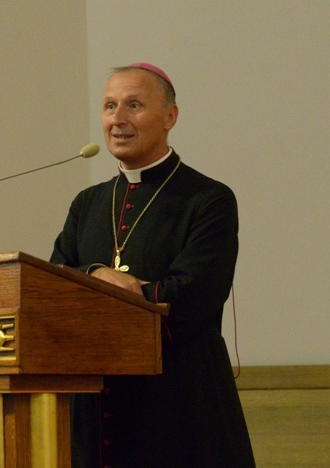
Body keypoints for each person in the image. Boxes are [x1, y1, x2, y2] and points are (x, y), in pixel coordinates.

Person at [50, 63, 256, 467]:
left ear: (169, 117)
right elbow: (57, 281)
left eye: (134, 105)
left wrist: (128, 293)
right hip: (96, 403)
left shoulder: (208, 199)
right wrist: (98, 275)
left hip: (179, 403)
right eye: (110, 106)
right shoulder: (87, 203)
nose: (118, 120)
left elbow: (194, 294)